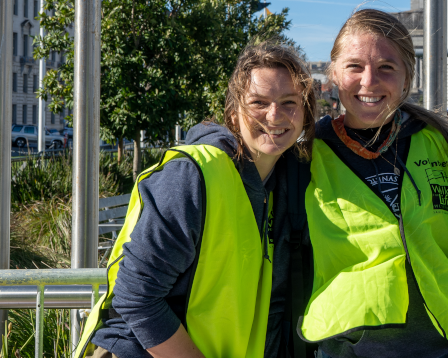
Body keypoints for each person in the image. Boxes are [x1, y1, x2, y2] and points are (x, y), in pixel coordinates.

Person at [75, 41, 316, 358]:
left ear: (305, 112)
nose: (274, 115)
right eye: (259, 102)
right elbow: (136, 296)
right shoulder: (193, 175)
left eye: (289, 102)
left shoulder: (287, 182)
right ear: (233, 114)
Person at [297, 9, 448, 358]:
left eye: (386, 68)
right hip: (346, 350)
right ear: (332, 75)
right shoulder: (305, 155)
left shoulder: (447, 144)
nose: (369, 81)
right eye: (354, 67)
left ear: (407, 77)